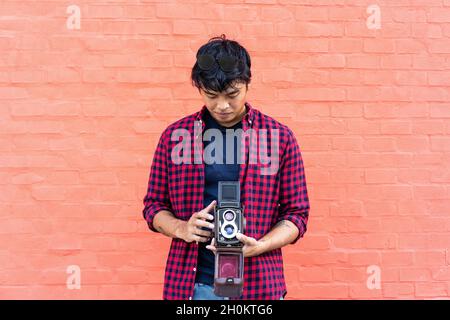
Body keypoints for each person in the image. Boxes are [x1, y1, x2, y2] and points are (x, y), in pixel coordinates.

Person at [142, 34, 310, 300]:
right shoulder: (174, 136)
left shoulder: (279, 138)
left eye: (232, 94)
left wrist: (261, 245)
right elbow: (153, 206)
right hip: (192, 285)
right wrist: (182, 228)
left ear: (247, 84)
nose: (222, 106)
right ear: (199, 89)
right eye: (211, 95)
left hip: (259, 286)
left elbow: (297, 215)